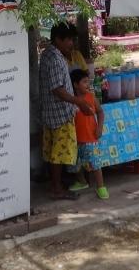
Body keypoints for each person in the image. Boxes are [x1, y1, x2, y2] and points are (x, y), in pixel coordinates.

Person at [39, 22, 84, 200]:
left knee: (53, 153)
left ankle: (56, 185)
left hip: (50, 113)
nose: (71, 44)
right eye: (69, 40)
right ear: (58, 39)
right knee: (58, 154)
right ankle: (57, 189)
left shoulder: (48, 54)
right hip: (60, 114)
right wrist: (78, 101)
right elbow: (57, 89)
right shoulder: (56, 59)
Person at [69, 68, 108, 200]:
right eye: (84, 82)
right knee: (75, 163)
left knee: (95, 163)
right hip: (75, 139)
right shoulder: (71, 100)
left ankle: (101, 186)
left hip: (90, 137)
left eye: (88, 82)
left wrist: (99, 128)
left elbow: (100, 112)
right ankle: (82, 182)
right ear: (75, 84)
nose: (88, 84)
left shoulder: (91, 97)